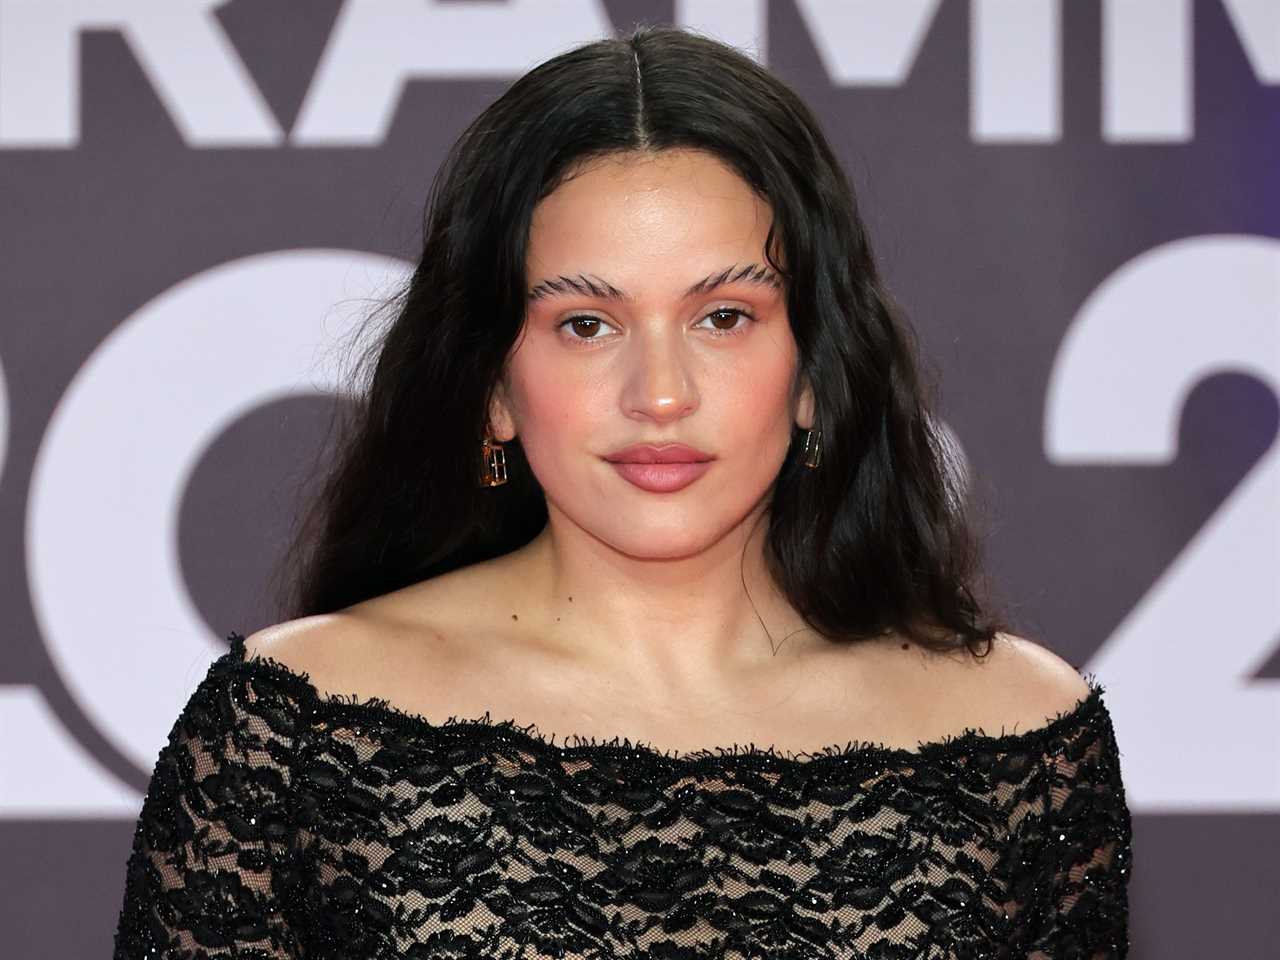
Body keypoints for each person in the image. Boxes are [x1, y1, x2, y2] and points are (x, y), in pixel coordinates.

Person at [112, 23, 1132, 959]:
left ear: (816, 370)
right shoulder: (295, 730)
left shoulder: (1019, 738)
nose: (658, 394)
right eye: (585, 325)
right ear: (493, 387)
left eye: (722, 318)